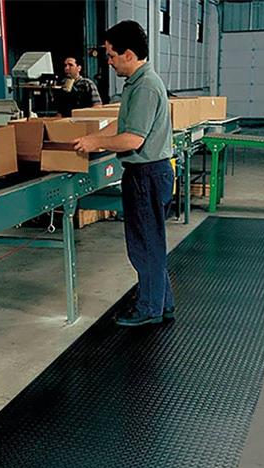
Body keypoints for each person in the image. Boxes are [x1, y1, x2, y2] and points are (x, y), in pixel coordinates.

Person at [73, 20, 175, 328]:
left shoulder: (145, 86)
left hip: (146, 175)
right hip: (147, 174)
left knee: (144, 245)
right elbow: (123, 127)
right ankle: (161, 302)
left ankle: (149, 308)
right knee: (151, 242)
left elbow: (133, 139)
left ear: (128, 54)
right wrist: (96, 136)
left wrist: (96, 143)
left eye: (111, 55)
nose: (108, 61)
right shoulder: (137, 83)